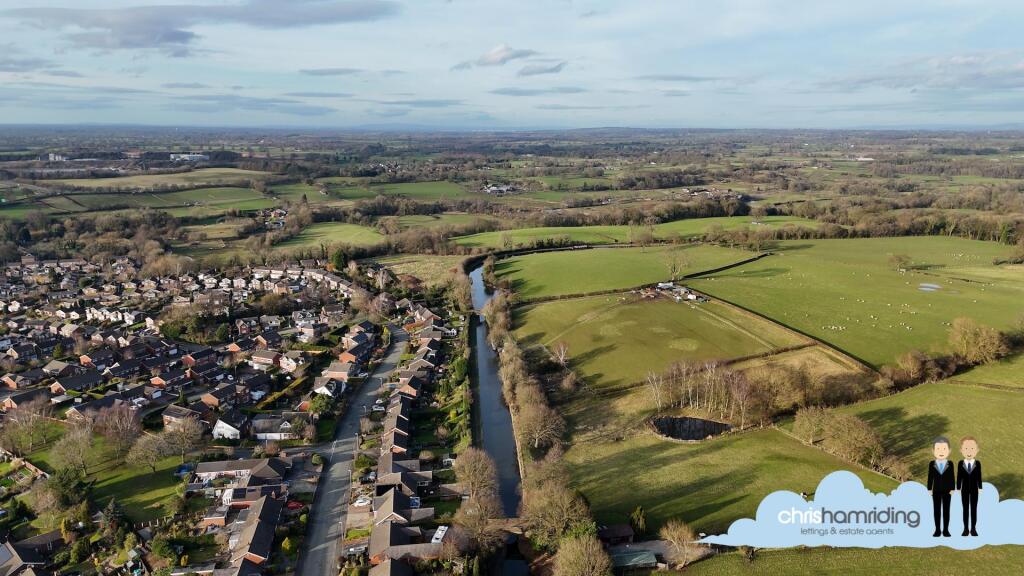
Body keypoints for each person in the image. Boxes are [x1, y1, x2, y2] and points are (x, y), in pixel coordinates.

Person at [926, 436, 955, 537]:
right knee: (937, 511)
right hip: (936, 491)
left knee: (946, 511)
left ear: (949, 451)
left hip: (947, 491)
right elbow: (930, 477)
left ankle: (946, 530)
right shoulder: (932, 464)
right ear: (933, 450)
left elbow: (952, 476)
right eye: (938, 449)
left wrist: (952, 488)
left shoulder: (950, 464)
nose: (941, 451)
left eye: (944, 449)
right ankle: (937, 530)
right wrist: (929, 488)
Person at [957, 436, 983, 537]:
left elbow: (979, 476)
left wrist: (980, 487)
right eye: (966, 448)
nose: (969, 451)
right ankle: (965, 529)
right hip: (964, 490)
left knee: (974, 509)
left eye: (972, 448)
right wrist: (958, 487)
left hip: (974, 490)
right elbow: (959, 476)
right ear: (961, 450)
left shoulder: (977, 464)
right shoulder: (960, 463)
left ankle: (973, 529)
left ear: (976, 450)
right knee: (965, 509)